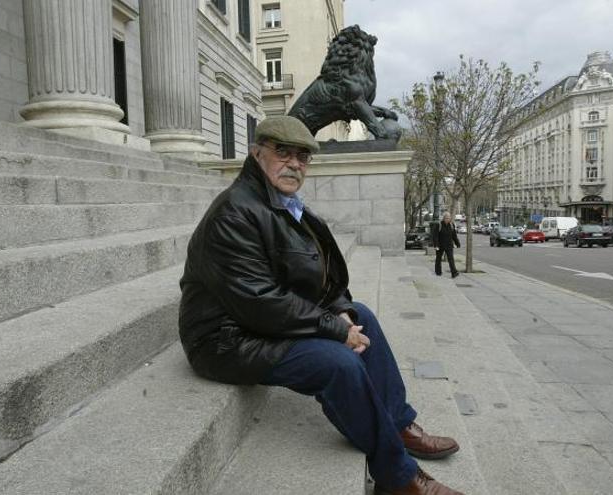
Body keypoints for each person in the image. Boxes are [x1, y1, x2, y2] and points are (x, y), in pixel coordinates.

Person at [178, 116, 463, 495]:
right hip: (225, 338)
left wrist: (341, 309)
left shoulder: (286, 204)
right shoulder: (234, 212)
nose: (294, 164)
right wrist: (334, 329)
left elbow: (318, 275)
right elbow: (259, 301)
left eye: (303, 157)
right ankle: (396, 477)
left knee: (363, 315)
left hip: (258, 322)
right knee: (338, 363)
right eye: (283, 153)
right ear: (256, 153)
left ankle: (396, 424)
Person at [431, 213, 460, 278]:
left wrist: (457, 243)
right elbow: (435, 236)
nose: (448, 219)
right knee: (438, 259)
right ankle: (438, 272)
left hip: (449, 245)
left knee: (451, 259)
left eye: (449, 218)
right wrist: (436, 245)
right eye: (446, 218)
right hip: (440, 245)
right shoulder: (439, 225)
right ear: (443, 218)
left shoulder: (451, 225)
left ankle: (454, 272)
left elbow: (454, 235)